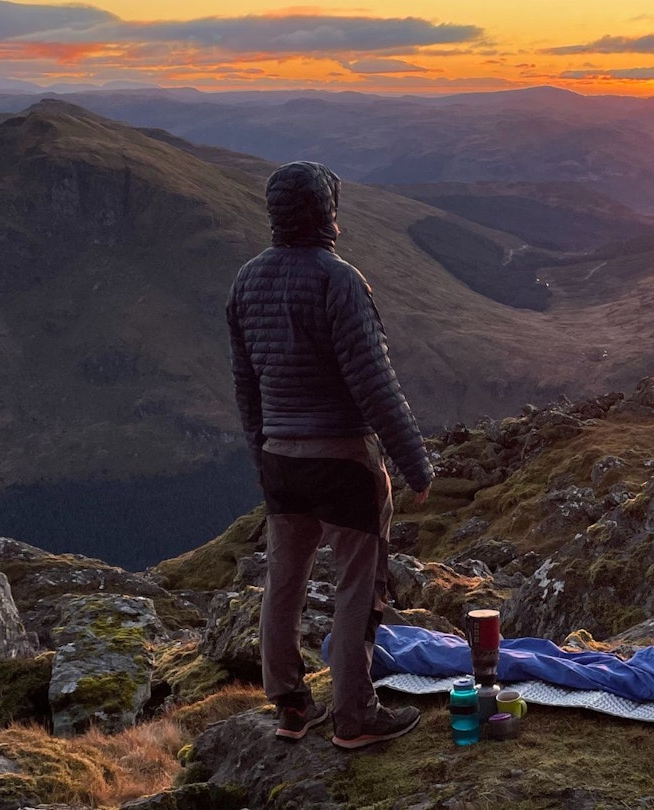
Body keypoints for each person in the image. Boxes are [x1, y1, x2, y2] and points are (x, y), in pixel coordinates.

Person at [226, 161, 433, 749]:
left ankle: (291, 706)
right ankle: (354, 716)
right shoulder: (338, 280)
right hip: (343, 460)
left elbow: (247, 383)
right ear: (327, 211)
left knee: (283, 581)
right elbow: (374, 382)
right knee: (356, 586)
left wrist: (262, 453)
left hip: (280, 459)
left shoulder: (246, 281)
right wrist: (413, 462)